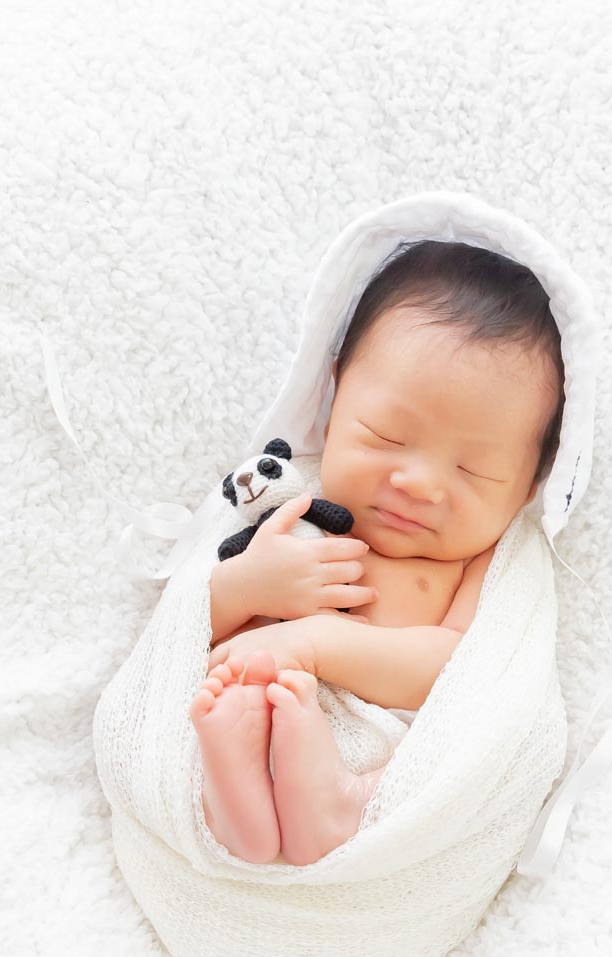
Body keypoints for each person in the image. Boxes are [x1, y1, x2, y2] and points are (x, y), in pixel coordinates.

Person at [190, 240, 565, 868]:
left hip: (381, 755)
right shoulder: (288, 497)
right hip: (250, 705)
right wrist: (246, 588)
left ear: (530, 483)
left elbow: (463, 670)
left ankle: (336, 802)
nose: (419, 483)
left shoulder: (485, 562)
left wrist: (310, 643)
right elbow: (185, 628)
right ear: (336, 396)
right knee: (224, 702)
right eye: (387, 436)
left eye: (473, 470)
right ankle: (230, 806)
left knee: (429, 769)